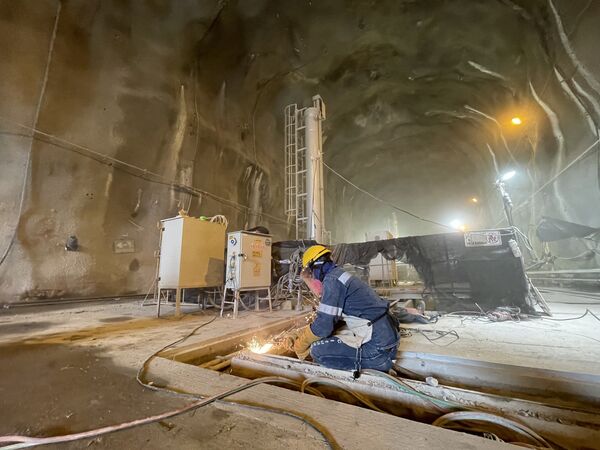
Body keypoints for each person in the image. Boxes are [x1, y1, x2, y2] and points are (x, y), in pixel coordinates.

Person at [292, 244, 400, 376]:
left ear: (315, 266)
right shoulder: (339, 275)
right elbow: (326, 304)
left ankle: (372, 367)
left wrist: (301, 342)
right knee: (336, 332)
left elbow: (323, 327)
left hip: (378, 350)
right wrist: (303, 331)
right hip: (388, 341)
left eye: (311, 272)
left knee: (317, 349)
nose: (313, 276)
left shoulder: (332, 281)